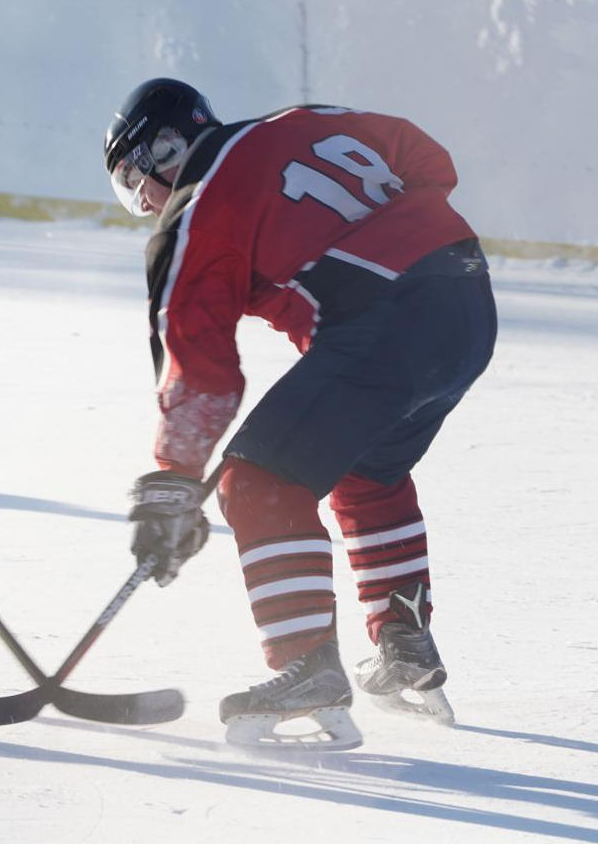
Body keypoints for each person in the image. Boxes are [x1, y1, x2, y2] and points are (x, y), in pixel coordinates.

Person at [102, 79, 497, 749]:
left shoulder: (197, 211)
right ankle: (403, 639)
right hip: (467, 298)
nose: (145, 203)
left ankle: (305, 663)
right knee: (366, 471)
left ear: (165, 151)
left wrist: (174, 477)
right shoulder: (305, 118)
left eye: (137, 183)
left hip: (388, 324)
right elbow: (428, 158)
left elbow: (199, 364)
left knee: (256, 482)